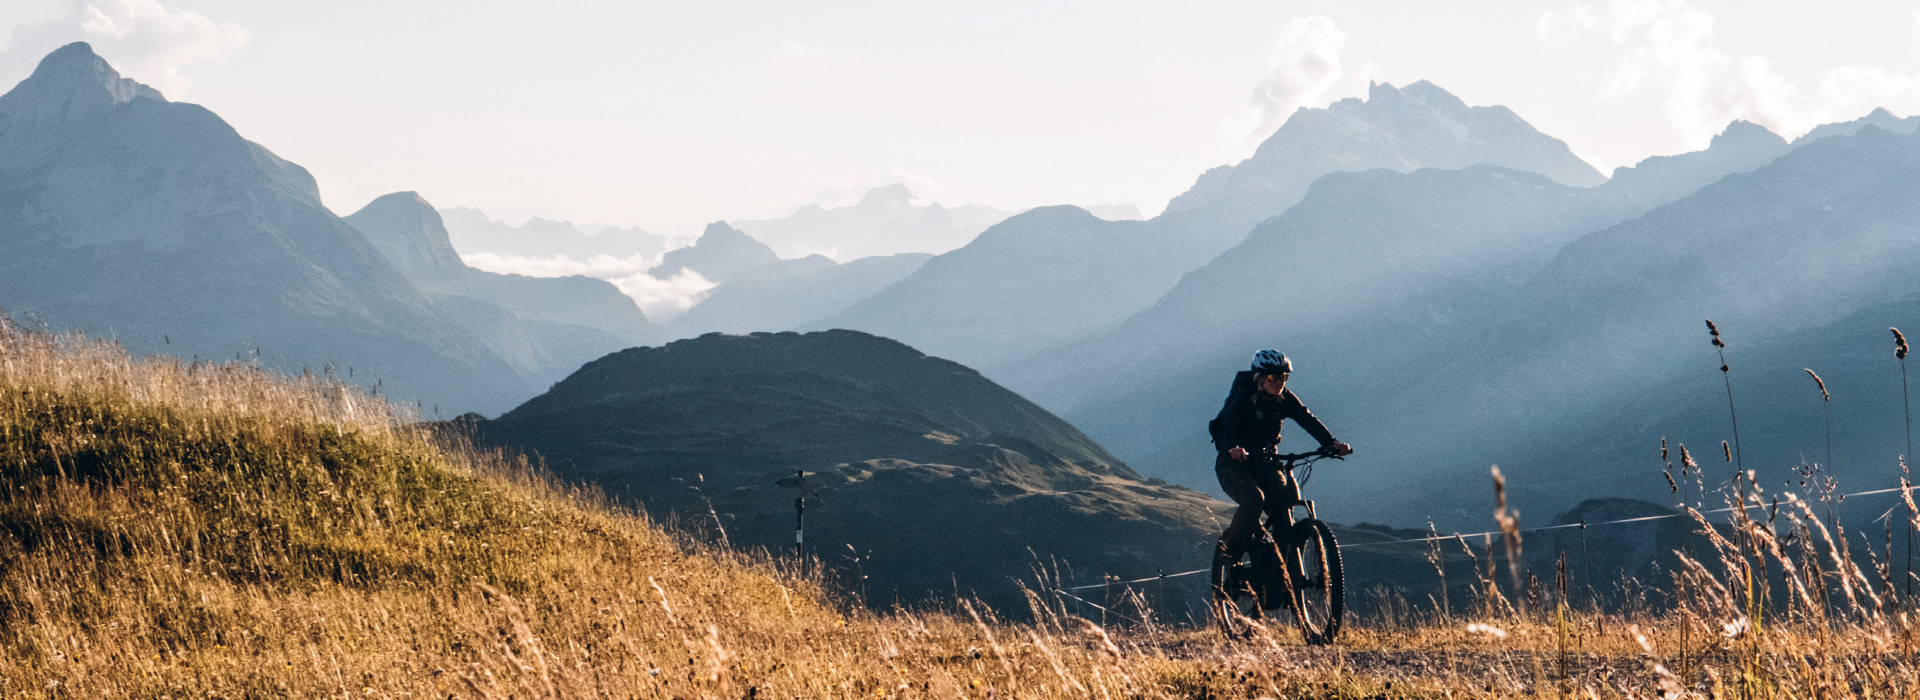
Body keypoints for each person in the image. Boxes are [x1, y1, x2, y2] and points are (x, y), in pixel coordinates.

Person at [1208, 349, 1352, 598]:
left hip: (1266, 460)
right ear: (1259, 378)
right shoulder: (1244, 397)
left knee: (1285, 507)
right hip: (1233, 463)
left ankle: (1283, 576)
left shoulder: (1284, 399)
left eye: (1283, 378)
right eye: (1273, 378)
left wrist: (1332, 443)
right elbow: (1230, 425)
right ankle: (1230, 553)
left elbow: (1308, 420)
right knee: (1254, 499)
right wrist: (1233, 448)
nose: (1279, 383)